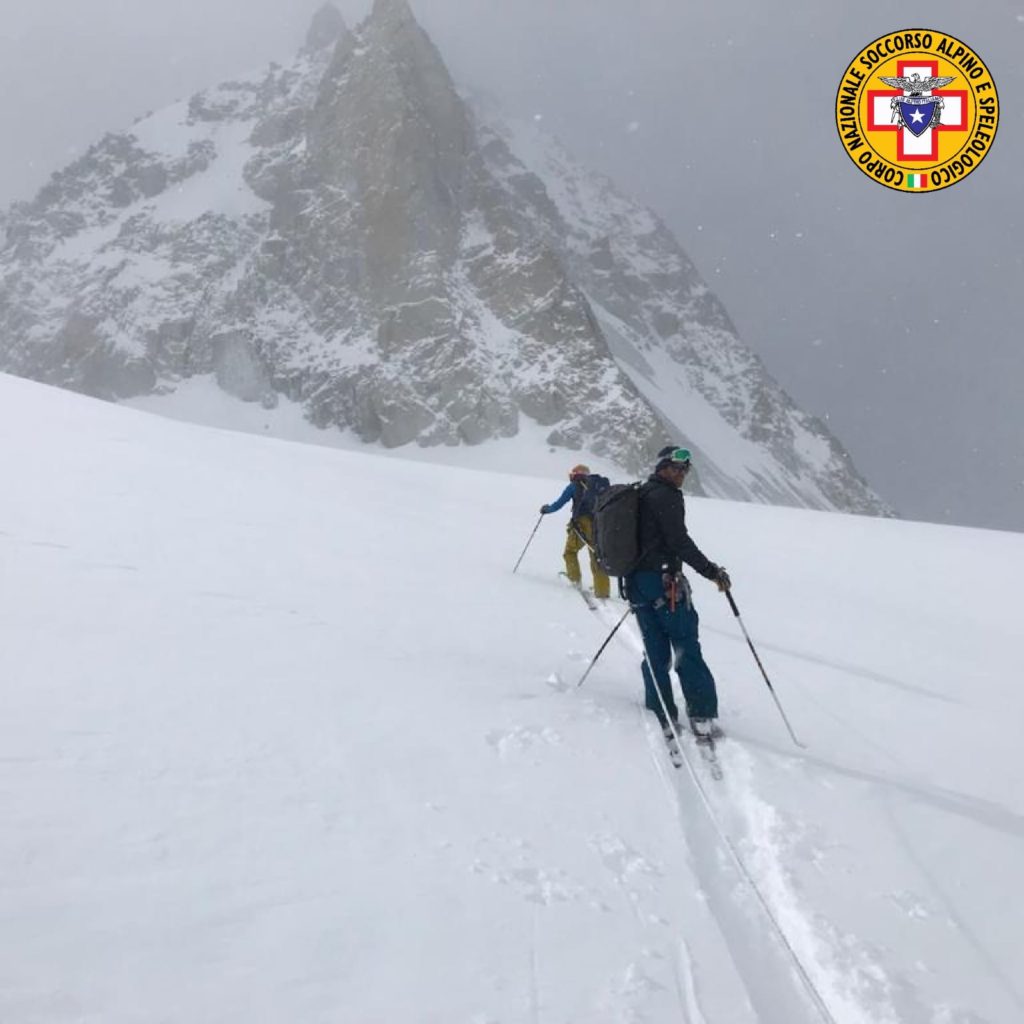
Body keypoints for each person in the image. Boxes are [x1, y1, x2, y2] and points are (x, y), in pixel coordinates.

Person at [624, 445, 731, 739]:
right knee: (685, 644)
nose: (682, 473)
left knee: (654, 647)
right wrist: (711, 571)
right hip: (664, 583)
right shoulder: (666, 496)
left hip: (637, 584)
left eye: (685, 469)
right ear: (662, 468)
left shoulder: (642, 494)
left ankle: (659, 709)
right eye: (676, 467)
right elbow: (679, 541)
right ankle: (702, 716)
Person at [540, 464, 611, 599]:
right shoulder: (599, 486)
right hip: (599, 524)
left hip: (582, 524)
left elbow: (558, 504)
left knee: (570, 552)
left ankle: (574, 581)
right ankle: (602, 590)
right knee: (597, 556)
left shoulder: (574, 486)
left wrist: (546, 510)